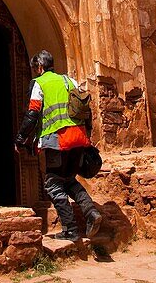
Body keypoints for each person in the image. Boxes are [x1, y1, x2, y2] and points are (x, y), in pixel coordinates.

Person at [15, 49, 102, 241]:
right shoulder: (69, 80)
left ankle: (70, 230)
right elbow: (85, 108)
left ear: (39, 67)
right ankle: (91, 212)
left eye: (34, 68)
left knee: (53, 184)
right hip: (78, 139)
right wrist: (87, 137)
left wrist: (21, 139)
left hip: (57, 141)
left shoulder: (39, 83)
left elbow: (33, 113)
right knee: (69, 179)